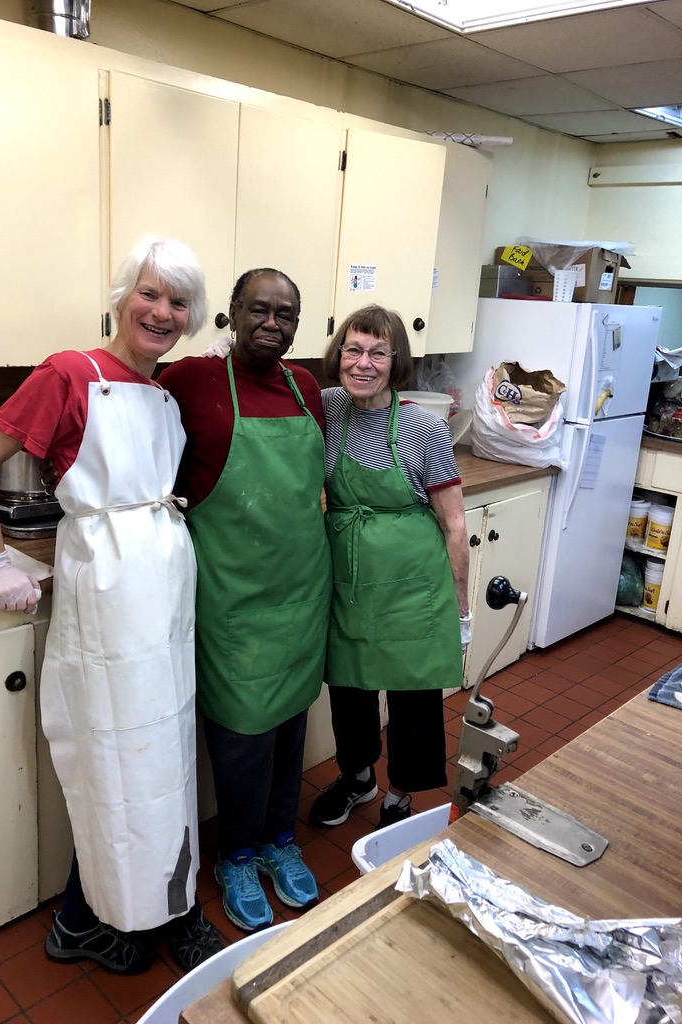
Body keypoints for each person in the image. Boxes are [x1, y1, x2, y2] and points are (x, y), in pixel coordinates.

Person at [0, 236, 222, 975]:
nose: (162, 312)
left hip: (164, 585)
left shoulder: (165, 392)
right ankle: (93, 916)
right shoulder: (70, 373)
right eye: (150, 293)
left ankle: (152, 904)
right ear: (120, 296)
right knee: (115, 755)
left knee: (162, 754)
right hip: (107, 586)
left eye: (178, 302)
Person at [157, 268, 332, 933]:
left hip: (301, 587)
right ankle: (235, 856)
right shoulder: (188, 383)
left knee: (290, 728)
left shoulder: (306, 387)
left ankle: (279, 841)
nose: (272, 322)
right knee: (240, 738)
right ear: (231, 314)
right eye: (258, 309)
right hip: (231, 595)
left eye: (286, 314)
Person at [309, 305, 472, 832]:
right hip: (349, 580)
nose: (363, 363)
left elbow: (454, 524)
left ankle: (401, 795)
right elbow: (273, 382)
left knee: (414, 695)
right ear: (339, 355)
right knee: (349, 688)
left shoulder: (424, 428)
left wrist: (462, 608)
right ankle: (358, 779)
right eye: (353, 350)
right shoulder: (328, 406)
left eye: (378, 352)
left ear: (394, 359)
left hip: (413, 583)